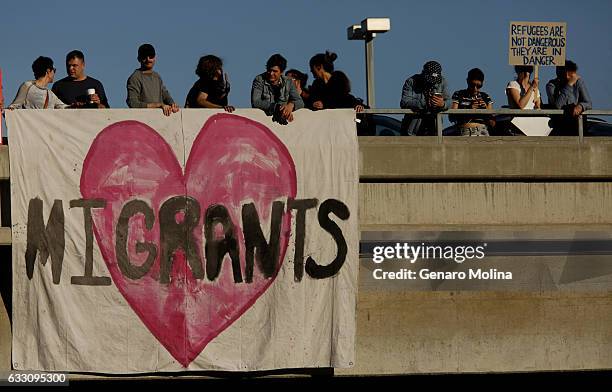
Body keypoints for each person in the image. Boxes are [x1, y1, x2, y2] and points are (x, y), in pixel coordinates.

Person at [126, 44, 179, 116]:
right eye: (144, 56)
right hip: (143, 120)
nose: (148, 59)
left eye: (151, 56)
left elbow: (165, 95)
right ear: (139, 59)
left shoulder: (157, 77)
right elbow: (132, 103)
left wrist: (172, 104)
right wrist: (158, 105)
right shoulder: (135, 78)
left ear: (155, 58)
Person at [399, 61, 449, 135]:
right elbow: (404, 102)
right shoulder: (411, 81)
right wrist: (424, 103)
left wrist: (442, 104)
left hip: (434, 129)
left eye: (435, 80)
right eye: (430, 79)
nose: (432, 82)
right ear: (423, 73)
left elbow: (450, 101)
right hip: (412, 130)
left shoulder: (442, 81)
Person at [251, 54, 303, 124]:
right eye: (269, 70)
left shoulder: (288, 82)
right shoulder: (259, 80)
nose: (271, 73)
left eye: (275, 71)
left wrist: (291, 105)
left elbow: (300, 102)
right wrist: (276, 107)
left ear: (281, 72)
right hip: (264, 123)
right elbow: (256, 102)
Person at [546, 60, 592, 136]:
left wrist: (581, 106)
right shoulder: (551, 85)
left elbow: (588, 103)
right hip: (560, 126)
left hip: (577, 125)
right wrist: (569, 84)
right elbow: (557, 105)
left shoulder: (578, 82)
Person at [502, 65, 550, 136]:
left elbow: (538, 106)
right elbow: (521, 105)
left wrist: (538, 106)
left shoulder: (536, 89)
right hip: (518, 126)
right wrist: (531, 88)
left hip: (533, 126)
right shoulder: (513, 85)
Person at [447, 68, 494, 136]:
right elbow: (452, 117)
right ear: (467, 81)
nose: (475, 89)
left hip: (483, 132)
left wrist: (486, 112)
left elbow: (492, 123)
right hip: (466, 131)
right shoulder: (459, 94)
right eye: (472, 85)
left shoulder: (485, 97)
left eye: (478, 86)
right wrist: (469, 109)